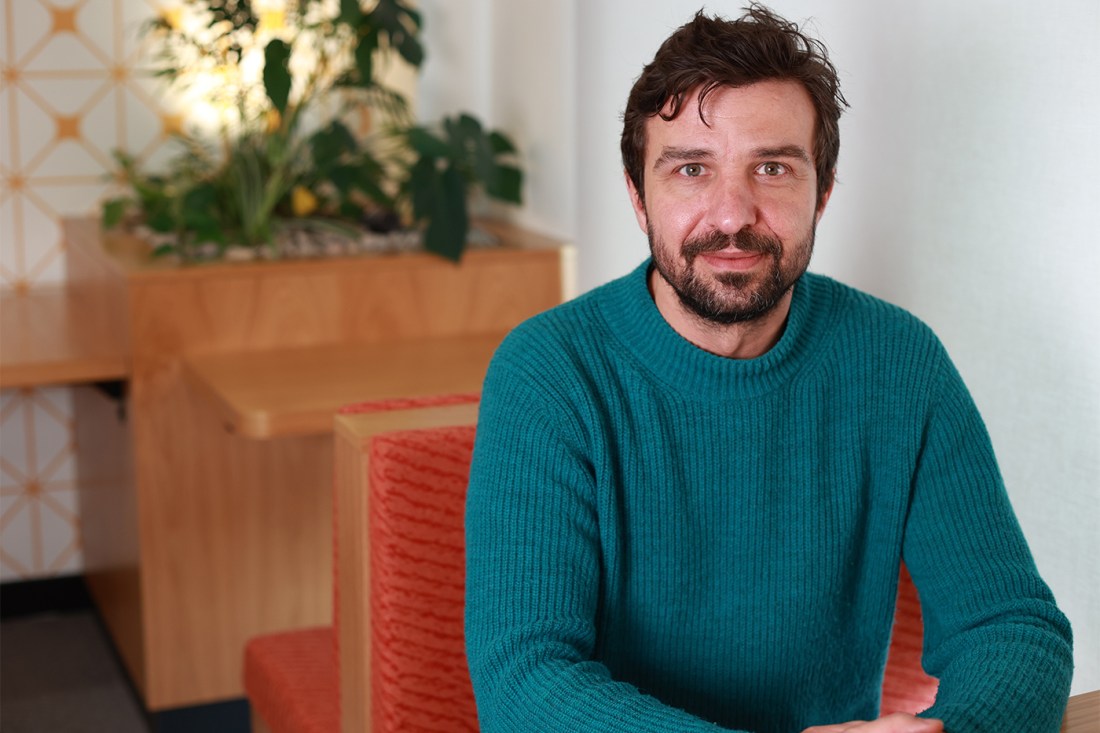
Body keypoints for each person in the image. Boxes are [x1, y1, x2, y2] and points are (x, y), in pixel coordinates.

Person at [463, 7, 1073, 732]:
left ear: (823, 192)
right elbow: (523, 680)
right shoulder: (548, 374)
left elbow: (1012, 625)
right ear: (637, 197)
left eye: (773, 168)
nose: (732, 214)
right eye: (691, 169)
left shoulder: (901, 363)